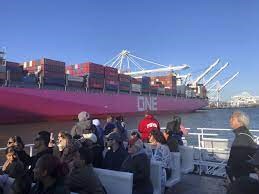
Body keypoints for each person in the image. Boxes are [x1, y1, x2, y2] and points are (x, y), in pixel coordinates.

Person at [226, 111, 257, 182]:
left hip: (240, 178)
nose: (230, 120)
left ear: (240, 122)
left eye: (232, 118)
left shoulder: (242, 137)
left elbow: (237, 162)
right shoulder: (244, 134)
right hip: (243, 176)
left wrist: (231, 178)